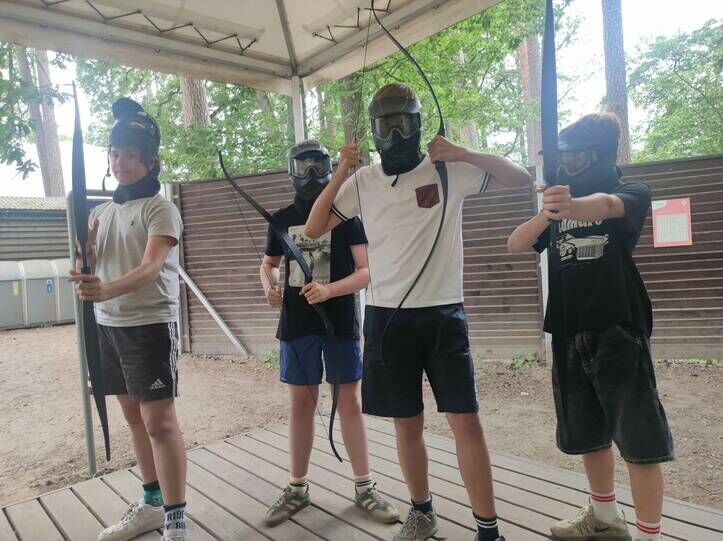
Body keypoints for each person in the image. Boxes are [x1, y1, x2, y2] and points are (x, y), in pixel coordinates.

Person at [305, 84, 531, 541]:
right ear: (373, 129)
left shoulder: (449, 169)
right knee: (406, 423)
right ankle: (422, 511)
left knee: (465, 421)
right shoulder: (363, 181)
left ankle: (488, 530)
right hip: (386, 318)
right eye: (385, 125)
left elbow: (521, 178)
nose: (394, 134)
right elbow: (313, 228)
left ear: (418, 124)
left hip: (444, 315)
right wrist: (342, 170)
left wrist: (465, 152)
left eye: (402, 123)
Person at [507, 112, 674, 541]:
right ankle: (604, 517)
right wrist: (549, 213)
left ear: (597, 156)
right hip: (567, 331)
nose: (567, 166)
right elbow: (516, 242)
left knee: (639, 440)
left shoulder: (630, 191)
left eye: (575, 158)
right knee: (588, 434)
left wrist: (570, 205)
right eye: (563, 159)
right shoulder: (556, 210)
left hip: (617, 330)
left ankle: (649, 536)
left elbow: (608, 206)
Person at [260, 140, 399, 528]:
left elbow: (366, 271)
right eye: (302, 166)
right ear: (290, 170)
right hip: (296, 325)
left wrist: (330, 290)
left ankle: (365, 486)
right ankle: (297, 487)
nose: (310, 174)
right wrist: (269, 286)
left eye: (318, 166)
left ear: (328, 168)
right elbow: (269, 264)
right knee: (300, 404)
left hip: (338, 321)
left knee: (348, 401)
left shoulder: (347, 216)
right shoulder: (281, 218)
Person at [69, 98, 188, 541]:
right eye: (115, 153)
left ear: (150, 161)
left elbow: (151, 267)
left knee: (160, 422)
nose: (120, 162)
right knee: (134, 418)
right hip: (107, 326)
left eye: (130, 155)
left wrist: (105, 289)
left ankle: (176, 519)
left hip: (149, 326)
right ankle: (152, 504)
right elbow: (90, 268)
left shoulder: (160, 208)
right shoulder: (100, 213)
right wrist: (84, 261)